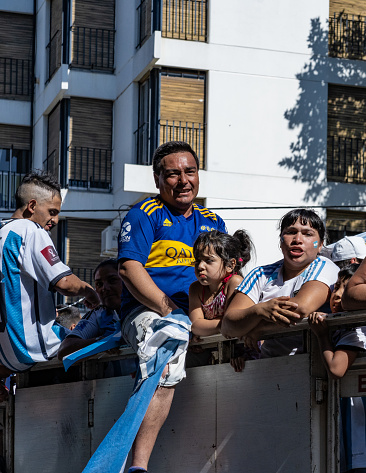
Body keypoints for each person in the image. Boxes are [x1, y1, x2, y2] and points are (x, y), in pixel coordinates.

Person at [118, 141, 227, 473]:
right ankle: (139, 467)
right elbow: (128, 269)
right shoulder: (143, 213)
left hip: (195, 316)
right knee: (169, 341)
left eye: (190, 172)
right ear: (157, 179)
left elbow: (226, 274)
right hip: (149, 313)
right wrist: (170, 312)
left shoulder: (214, 221)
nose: (183, 181)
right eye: (173, 174)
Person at [0, 171, 99, 397]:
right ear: (32, 205)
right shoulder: (30, 230)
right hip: (32, 347)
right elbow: (64, 283)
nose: (54, 221)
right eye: (52, 212)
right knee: (108, 338)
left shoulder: (2, 231)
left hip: (5, 353)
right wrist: (92, 294)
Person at [221, 208, 339, 358]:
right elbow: (228, 325)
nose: (298, 239)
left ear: (320, 244)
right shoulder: (260, 274)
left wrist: (260, 328)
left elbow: (300, 308)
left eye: (308, 234)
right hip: (270, 368)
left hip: (315, 368)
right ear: (280, 240)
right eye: (290, 232)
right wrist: (259, 310)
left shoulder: (325, 267)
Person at [308, 264, 366, 473]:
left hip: (356, 430)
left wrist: (321, 335)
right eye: (336, 286)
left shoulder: (356, 330)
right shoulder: (338, 325)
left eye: (346, 287)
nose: (338, 294)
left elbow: (336, 369)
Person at [189, 229, 258, 371]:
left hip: (241, 351)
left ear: (230, 265)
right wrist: (223, 326)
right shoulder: (195, 289)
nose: (200, 266)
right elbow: (195, 325)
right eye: (198, 261)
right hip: (215, 349)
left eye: (209, 260)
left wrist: (206, 330)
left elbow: (236, 325)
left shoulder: (235, 283)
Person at [58, 259, 137, 378]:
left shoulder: (144, 308)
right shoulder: (99, 314)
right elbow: (64, 350)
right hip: (112, 389)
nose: (105, 288)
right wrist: (104, 342)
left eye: (112, 280)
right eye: (99, 284)